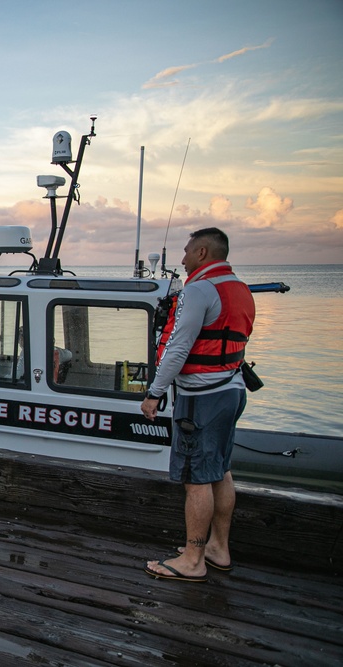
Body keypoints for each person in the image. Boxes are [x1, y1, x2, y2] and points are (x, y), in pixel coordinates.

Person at [141, 228, 255, 583]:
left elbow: (178, 346)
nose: (183, 257)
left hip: (202, 397)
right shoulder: (239, 289)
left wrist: (154, 392)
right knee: (219, 469)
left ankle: (192, 559)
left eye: (187, 251)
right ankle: (217, 547)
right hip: (231, 389)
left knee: (195, 479)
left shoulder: (199, 290)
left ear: (203, 252)